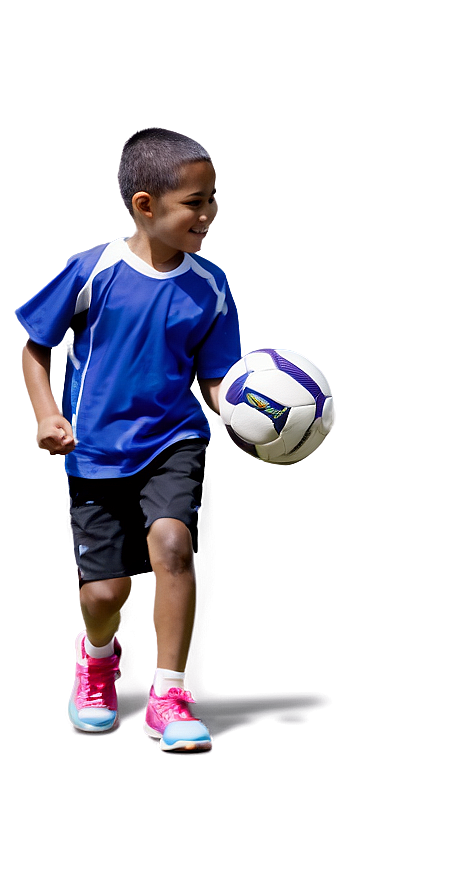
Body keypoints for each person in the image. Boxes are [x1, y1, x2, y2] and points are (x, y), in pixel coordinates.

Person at [17, 127, 241, 751]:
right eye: (194, 202)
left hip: (174, 441)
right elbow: (34, 349)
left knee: (173, 544)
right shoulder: (96, 271)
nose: (208, 214)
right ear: (146, 205)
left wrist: (248, 422)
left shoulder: (213, 288)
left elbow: (215, 379)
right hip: (95, 452)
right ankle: (97, 659)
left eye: (213, 198)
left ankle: (169, 697)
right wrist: (45, 416)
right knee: (106, 591)